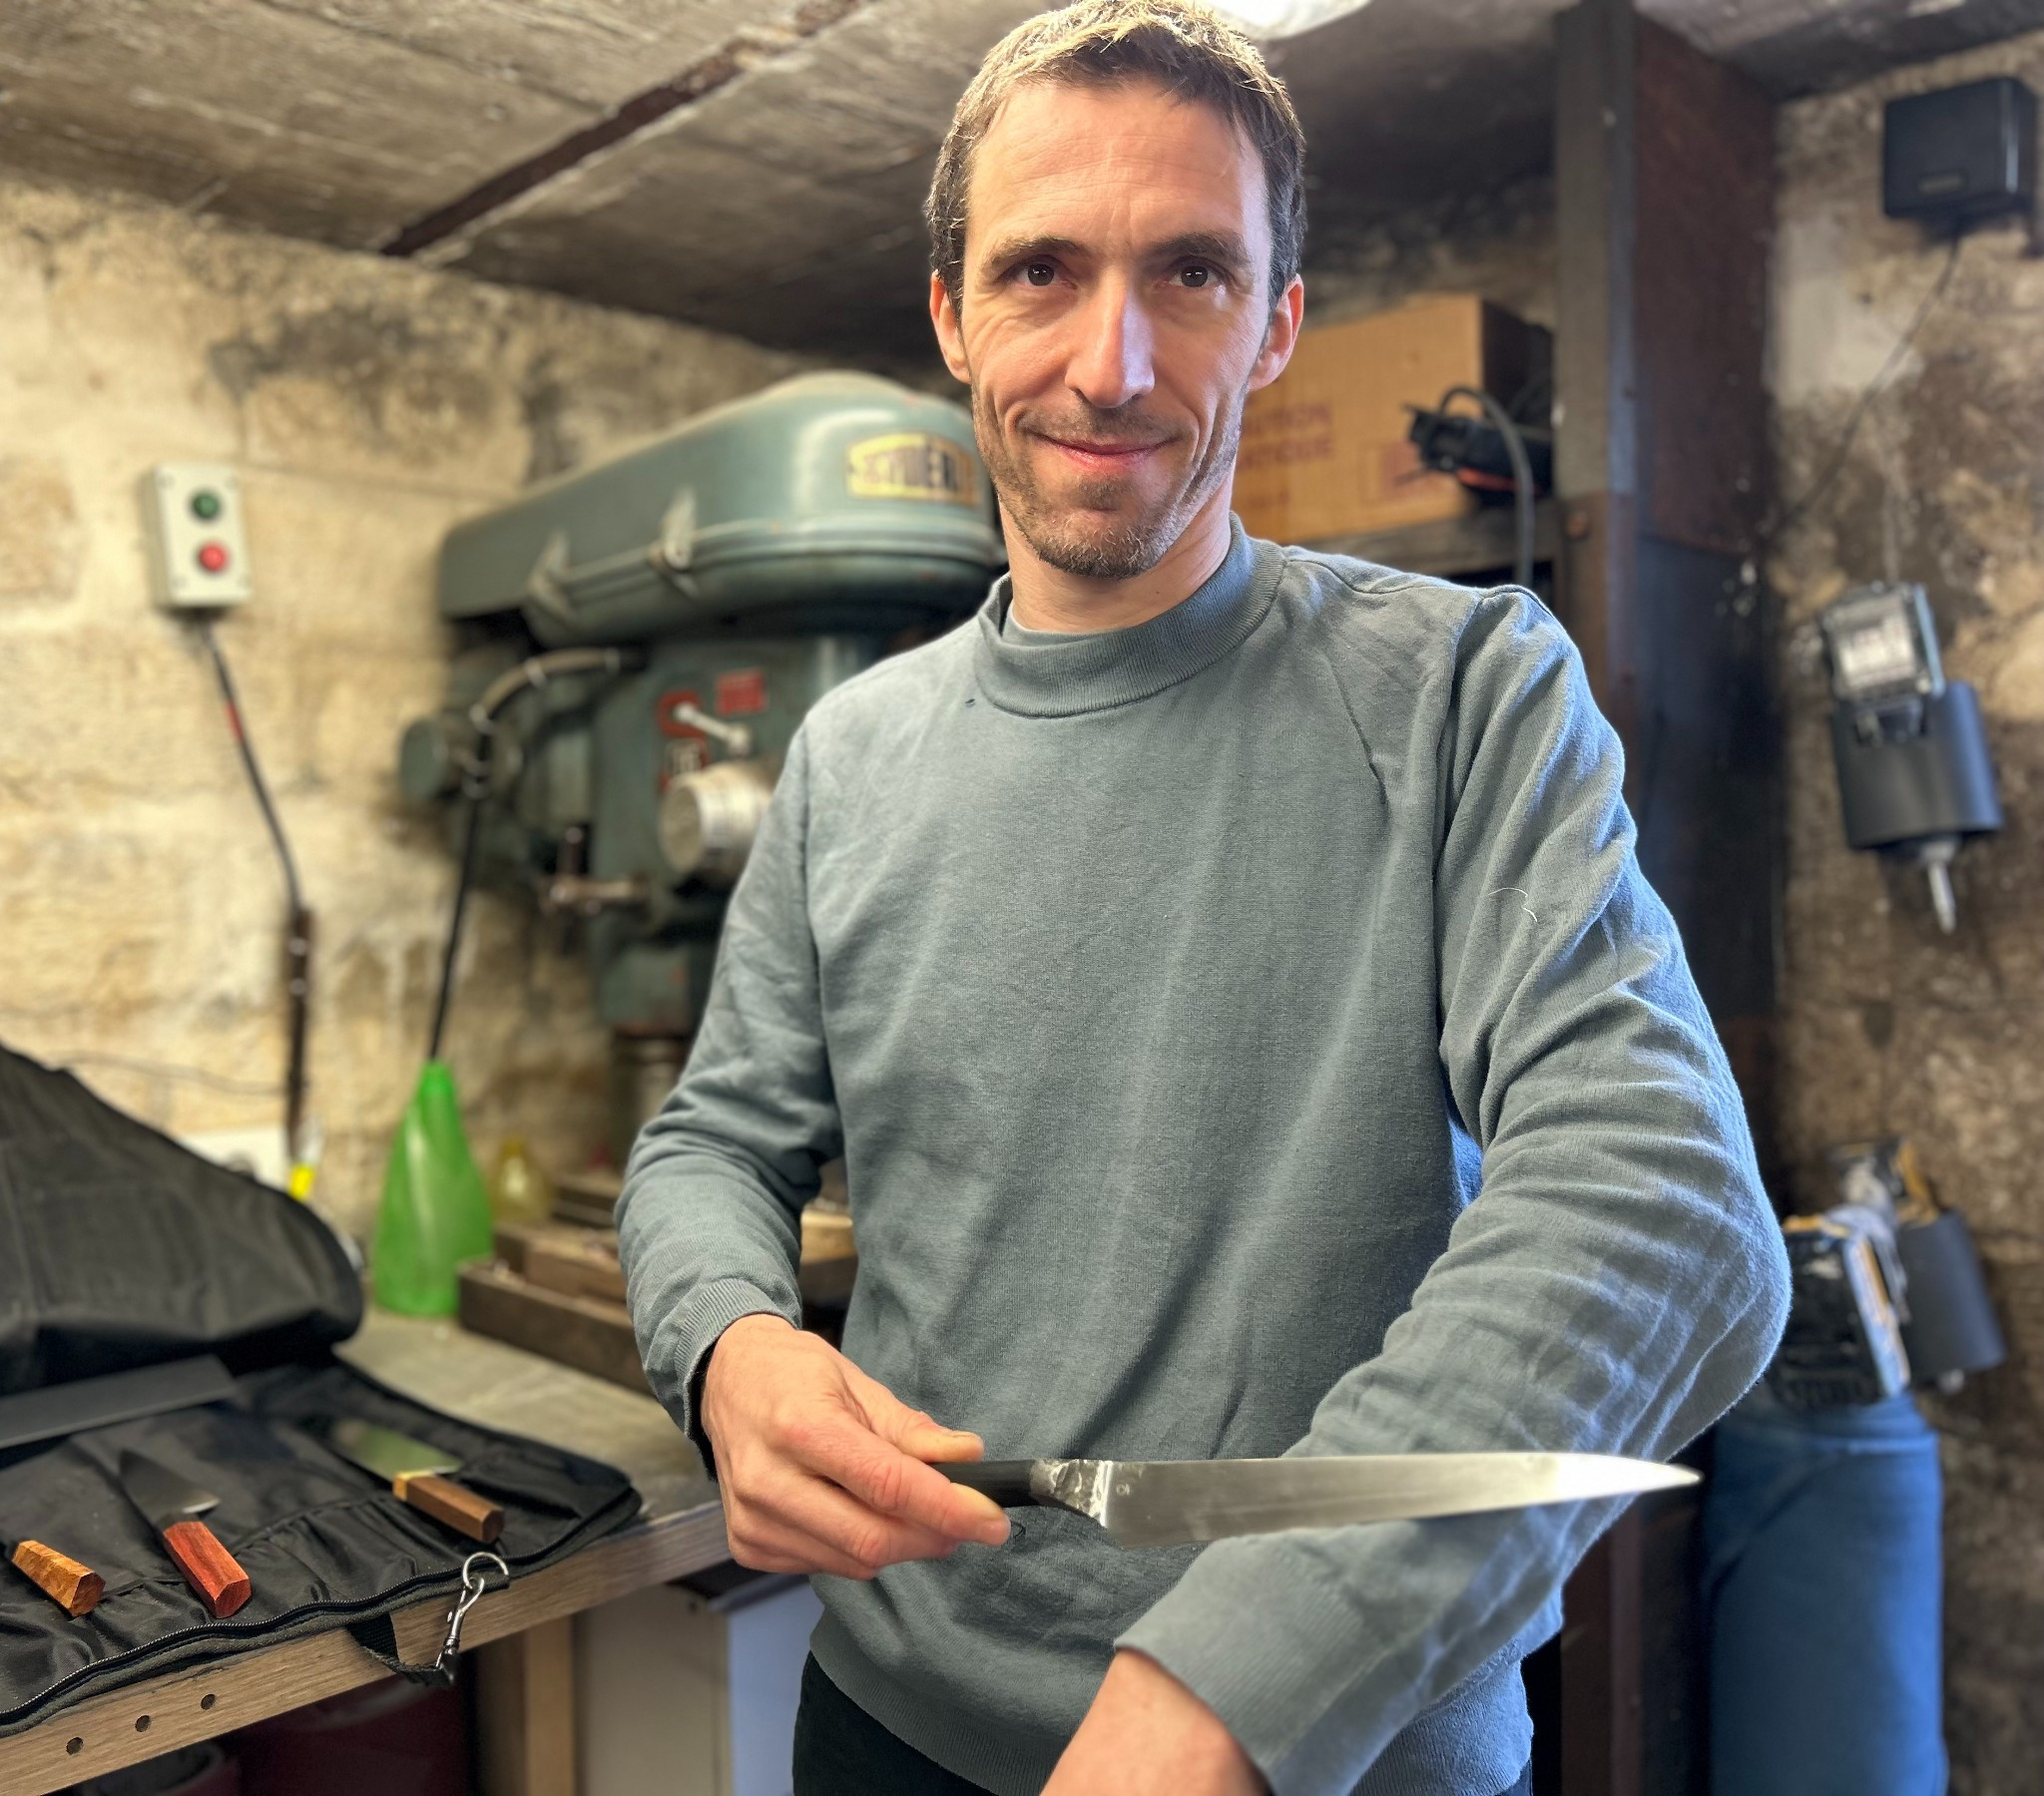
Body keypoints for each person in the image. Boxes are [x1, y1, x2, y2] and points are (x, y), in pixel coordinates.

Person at [616, 3, 1789, 1792]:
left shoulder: (1467, 688)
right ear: (951, 315)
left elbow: (1665, 1198)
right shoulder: (850, 756)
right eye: (1039, 271)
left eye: (1190, 272)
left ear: (1277, 322)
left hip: (1337, 1747)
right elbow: (713, 1143)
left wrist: (1225, 1694)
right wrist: (731, 1348)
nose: (1111, 361)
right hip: (890, 1720)